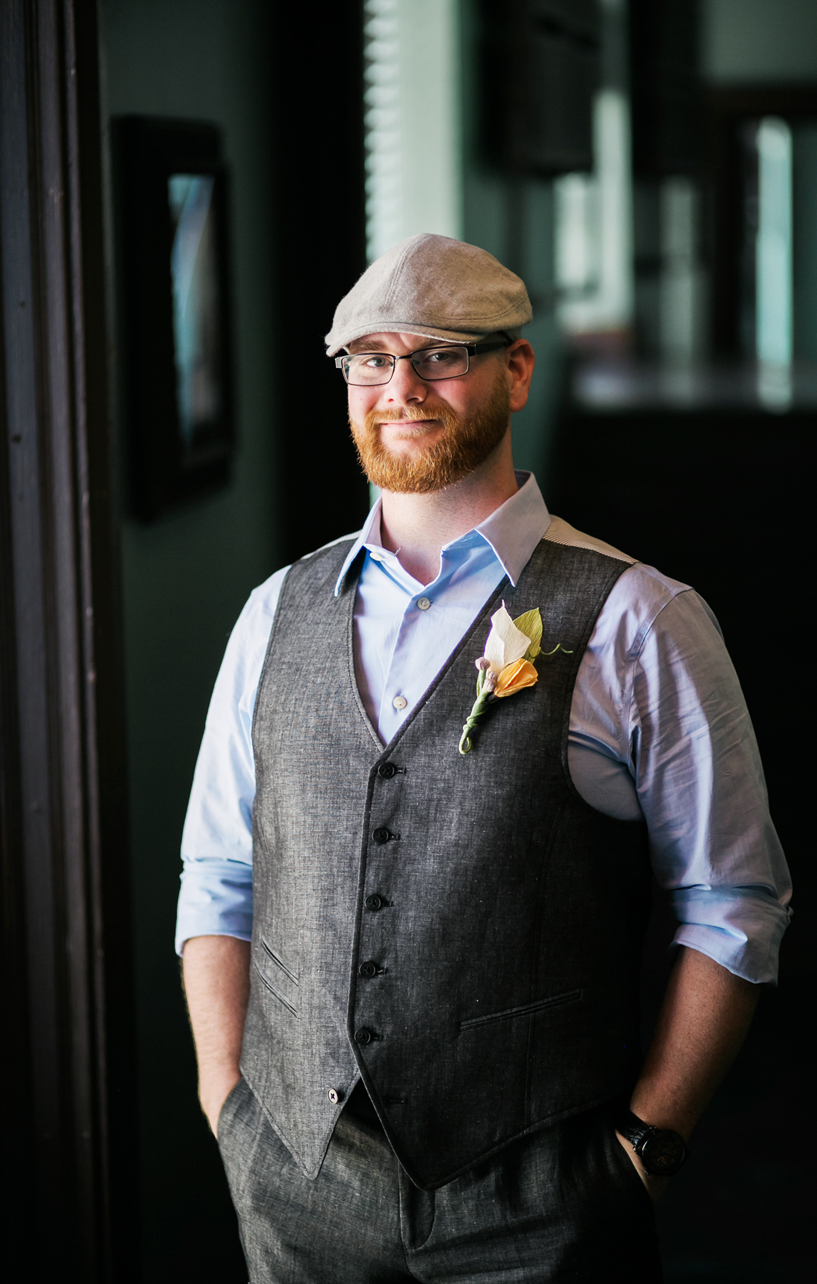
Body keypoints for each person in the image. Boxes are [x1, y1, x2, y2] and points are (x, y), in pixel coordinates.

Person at [177, 235, 789, 1281]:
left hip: (541, 1202)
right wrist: (226, 1096)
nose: (399, 387)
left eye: (441, 354)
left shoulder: (640, 619)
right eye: (370, 358)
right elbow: (220, 875)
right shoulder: (271, 614)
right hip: (295, 1184)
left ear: (515, 371)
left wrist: (647, 1148)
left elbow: (734, 900)